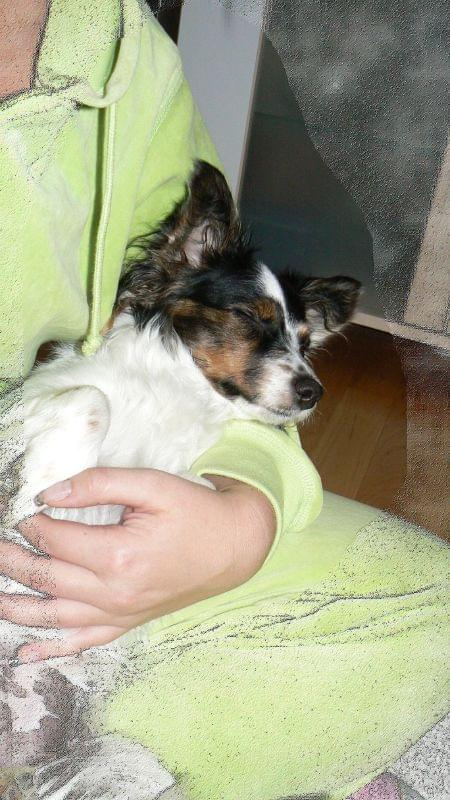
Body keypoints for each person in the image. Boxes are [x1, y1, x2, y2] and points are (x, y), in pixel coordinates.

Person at [0, 2, 448, 799]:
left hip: (109, 575)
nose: (298, 368)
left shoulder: (129, 53)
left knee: (435, 604)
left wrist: (244, 522)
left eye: (299, 344)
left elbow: (247, 425)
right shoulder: (109, 378)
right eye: (257, 327)